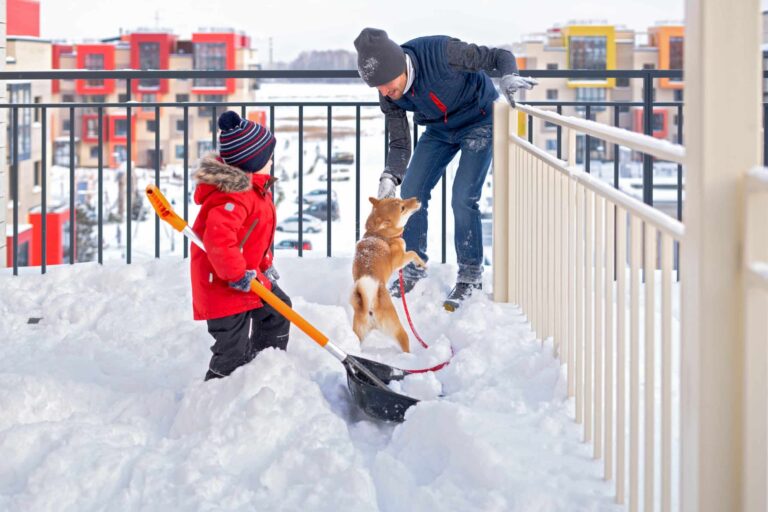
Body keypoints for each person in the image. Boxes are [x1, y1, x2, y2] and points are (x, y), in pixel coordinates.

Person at [354, 28, 537, 311]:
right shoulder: (388, 92)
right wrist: (391, 174)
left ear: (401, 66)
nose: (385, 92)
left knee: (462, 197)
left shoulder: (441, 53)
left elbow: (498, 56)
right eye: (378, 89)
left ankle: (470, 275)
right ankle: (414, 268)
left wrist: (509, 75)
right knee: (411, 194)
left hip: (479, 121)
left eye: (388, 85)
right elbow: (400, 141)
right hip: (439, 130)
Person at [190, 110, 291, 380]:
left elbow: (255, 240)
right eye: (269, 158)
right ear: (254, 162)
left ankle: (265, 366)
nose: (272, 162)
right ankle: (214, 393)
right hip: (224, 286)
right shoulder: (233, 198)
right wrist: (237, 275)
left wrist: (264, 267)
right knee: (231, 350)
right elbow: (219, 240)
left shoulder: (256, 190)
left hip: (251, 276)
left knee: (279, 311)